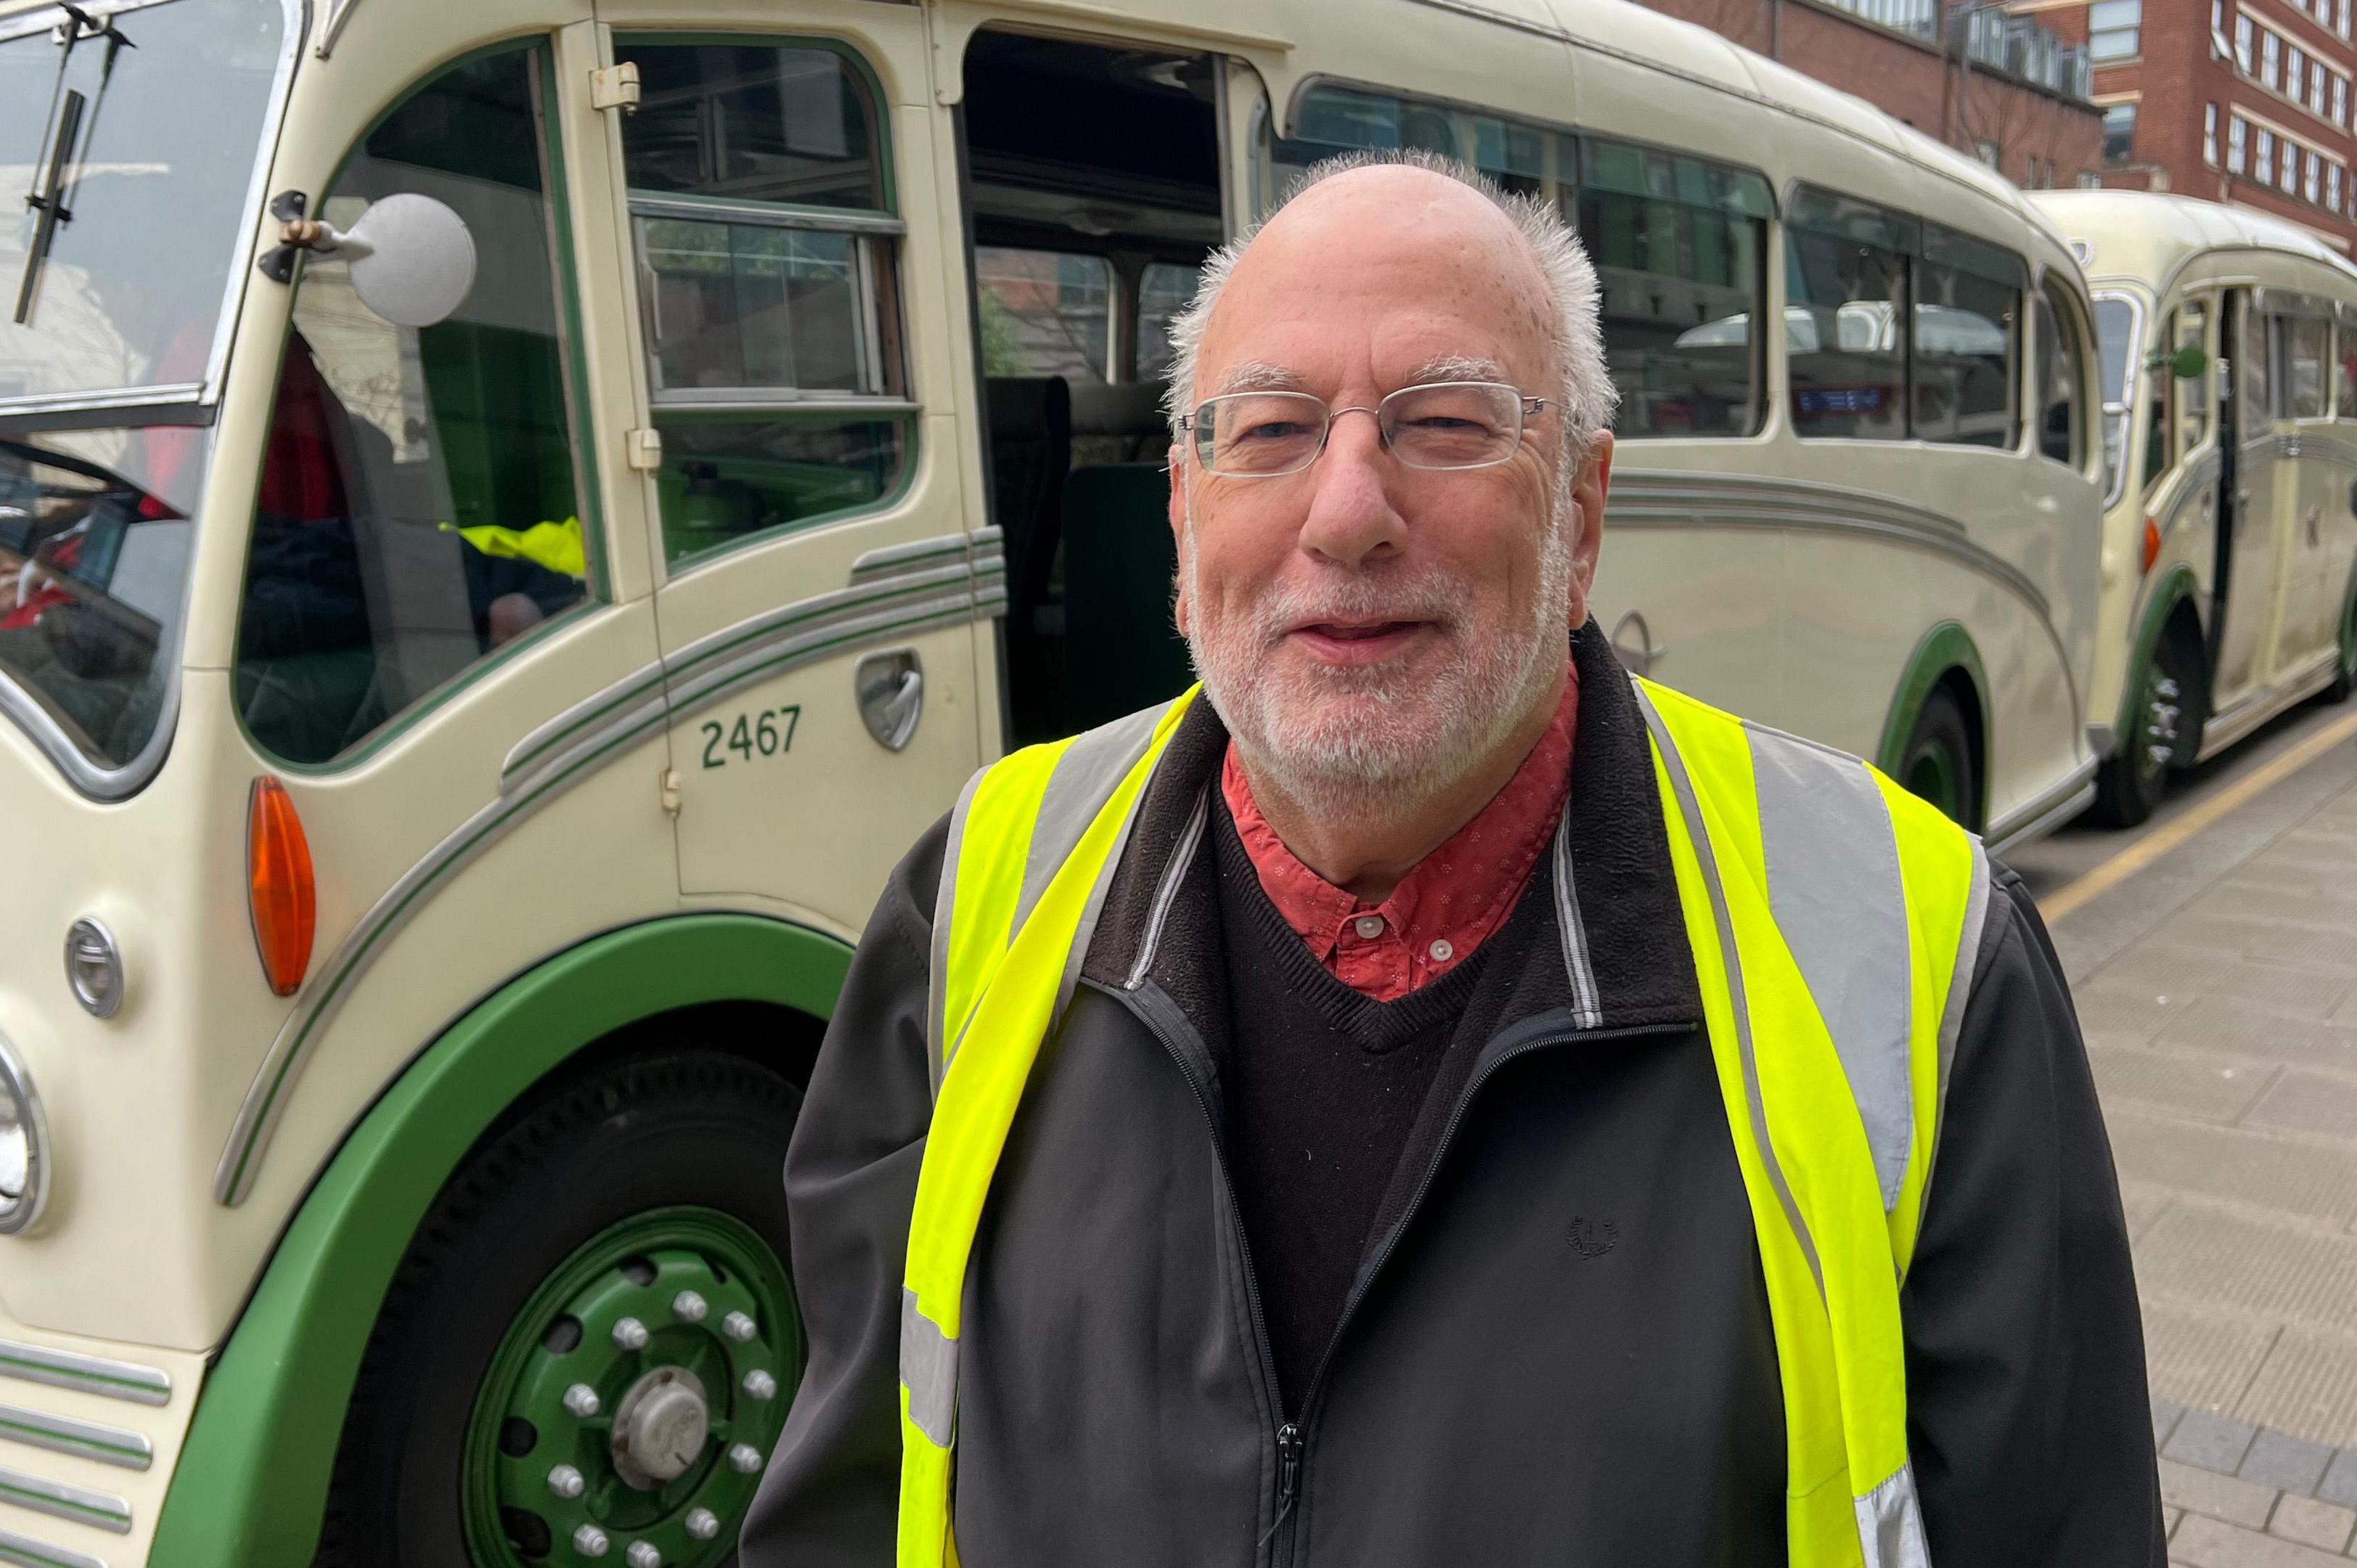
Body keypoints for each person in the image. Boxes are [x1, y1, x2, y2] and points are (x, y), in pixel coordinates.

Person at [742, 151, 2164, 1567]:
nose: (1347, 512)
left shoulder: (1927, 963)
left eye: (1445, 421)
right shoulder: (968, 901)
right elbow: (846, 1510)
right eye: (1271, 429)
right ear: (1185, 517)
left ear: (1584, 512)